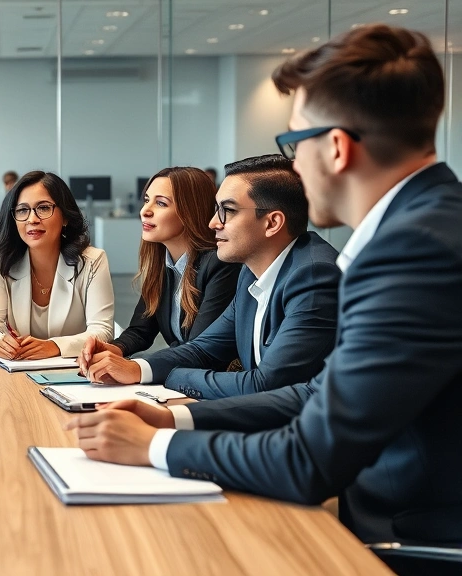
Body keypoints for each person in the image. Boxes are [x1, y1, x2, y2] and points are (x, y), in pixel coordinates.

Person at [66, 24, 462, 547]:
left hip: (404, 537)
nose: (292, 166)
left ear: (337, 148)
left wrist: (153, 447)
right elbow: (315, 395)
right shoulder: (426, 227)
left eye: (293, 143)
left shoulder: (414, 252)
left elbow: (307, 459)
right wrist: (170, 418)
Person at [80, 155, 340, 400]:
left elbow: (265, 384)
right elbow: (204, 348)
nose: (213, 222)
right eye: (216, 210)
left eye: (227, 210)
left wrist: (159, 376)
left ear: (272, 223)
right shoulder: (250, 273)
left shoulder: (313, 275)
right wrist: (137, 368)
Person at [85, 166, 239, 360]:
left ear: (191, 211)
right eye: (147, 200)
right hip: (181, 373)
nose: (145, 211)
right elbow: (140, 331)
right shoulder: (162, 264)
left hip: (213, 380)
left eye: (161, 203)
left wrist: (137, 368)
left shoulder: (219, 264)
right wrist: (112, 349)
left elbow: (199, 349)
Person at [0, 171, 114, 359]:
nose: (32, 219)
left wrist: (53, 346)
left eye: (43, 208)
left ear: (65, 216)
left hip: (75, 373)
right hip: (19, 373)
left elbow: (102, 331)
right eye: (23, 210)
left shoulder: (92, 262)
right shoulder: (3, 265)